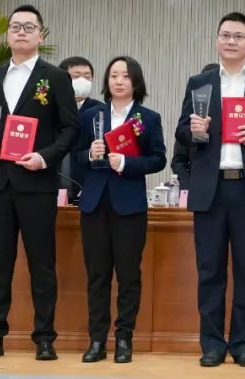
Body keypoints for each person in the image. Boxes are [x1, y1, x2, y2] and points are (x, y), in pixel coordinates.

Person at [176, 13, 245, 368]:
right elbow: (181, 132)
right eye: (225, 35)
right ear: (217, 40)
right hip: (210, 189)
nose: (231, 41)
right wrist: (195, 130)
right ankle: (212, 344)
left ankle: (244, 344)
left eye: (238, 36)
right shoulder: (200, 83)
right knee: (209, 271)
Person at [0, 4, 79, 361]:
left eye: (29, 27)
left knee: (41, 264)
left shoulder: (55, 78)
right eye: (15, 26)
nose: (21, 32)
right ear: (7, 35)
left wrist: (45, 157)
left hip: (36, 183)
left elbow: (70, 128)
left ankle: (44, 338)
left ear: (40, 36)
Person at [73, 56, 165, 364]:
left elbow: (158, 159)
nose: (119, 81)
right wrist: (90, 154)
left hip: (130, 206)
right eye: (113, 75)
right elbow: (75, 155)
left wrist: (127, 162)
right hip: (94, 204)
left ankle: (124, 338)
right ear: (107, 81)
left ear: (135, 82)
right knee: (97, 275)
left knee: (128, 275)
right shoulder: (92, 116)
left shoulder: (148, 118)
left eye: (125, 76)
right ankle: (97, 340)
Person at [58, 56, 103, 202]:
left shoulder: (100, 111)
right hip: (52, 187)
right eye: (76, 76)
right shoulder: (50, 108)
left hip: (88, 188)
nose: (82, 80)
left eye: (87, 77)